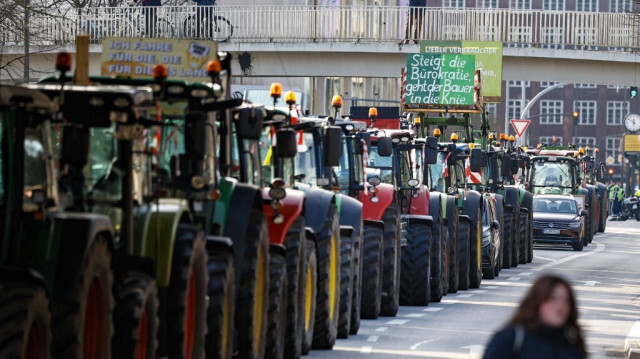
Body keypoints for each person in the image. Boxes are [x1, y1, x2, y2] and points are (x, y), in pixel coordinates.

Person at [483, 275, 587, 359]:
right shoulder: (511, 338)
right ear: (537, 302)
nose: (560, 306)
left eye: (566, 300)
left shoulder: (572, 342)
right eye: (552, 299)